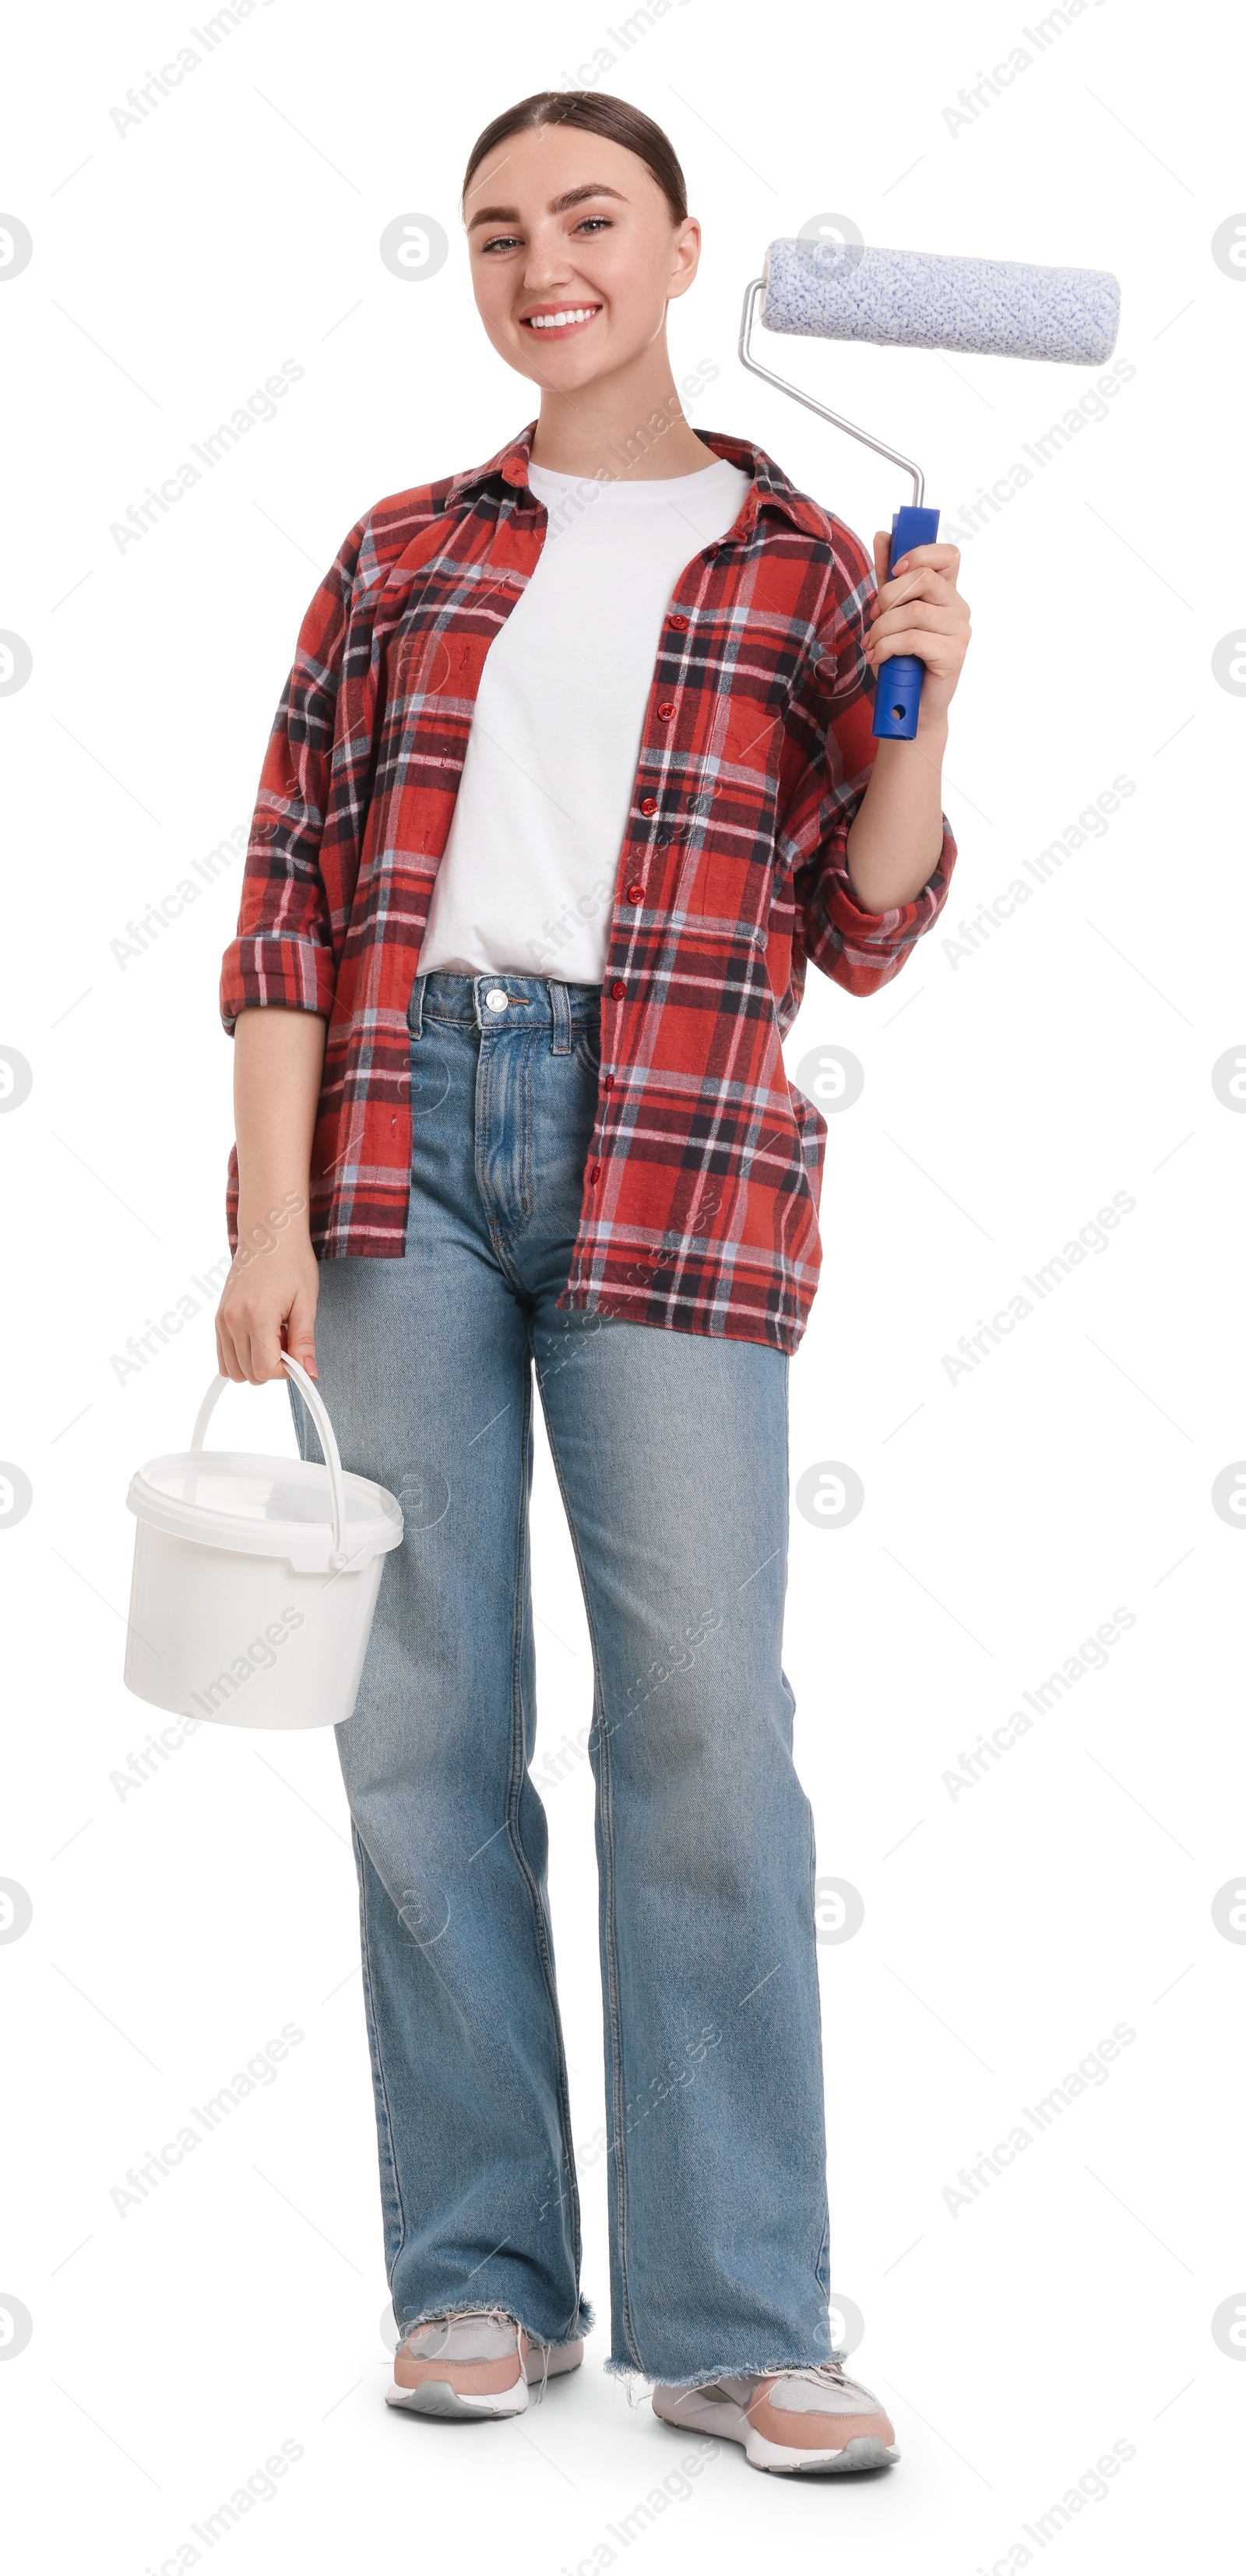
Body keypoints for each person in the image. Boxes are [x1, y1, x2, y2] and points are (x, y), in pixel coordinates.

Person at [216, 90, 969, 2476]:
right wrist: (265, 1217)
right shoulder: (401, 553)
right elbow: (285, 903)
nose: (546, 264)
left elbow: (861, 917)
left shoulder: (806, 558)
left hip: (676, 1152)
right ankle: (475, 2275)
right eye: (499, 232)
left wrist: (924, 705)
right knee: (417, 1715)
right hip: (400, 1149)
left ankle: (740, 2310)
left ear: (678, 248)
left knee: (700, 1726)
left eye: (591, 222)